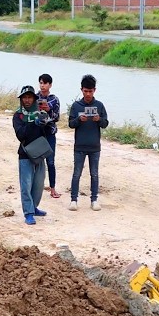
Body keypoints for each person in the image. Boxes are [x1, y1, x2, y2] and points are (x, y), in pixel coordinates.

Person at [13, 85, 56, 225]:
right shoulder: (18, 115)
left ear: (34, 98)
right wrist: (34, 123)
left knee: (38, 185)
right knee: (26, 185)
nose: (27, 100)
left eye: (29, 97)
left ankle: (34, 207)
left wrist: (46, 119)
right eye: (24, 97)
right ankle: (28, 213)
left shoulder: (40, 113)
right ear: (21, 99)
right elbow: (21, 135)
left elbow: (51, 130)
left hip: (40, 153)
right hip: (25, 154)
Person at [66, 74, 109, 212]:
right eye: (86, 91)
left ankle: (94, 200)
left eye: (90, 91)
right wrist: (79, 120)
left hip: (95, 147)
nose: (88, 94)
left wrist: (99, 119)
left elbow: (105, 124)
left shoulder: (99, 105)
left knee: (94, 174)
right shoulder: (76, 106)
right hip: (79, 146)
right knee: (76, 173)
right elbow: (71, 124)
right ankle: (73, 200)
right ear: (81, 90)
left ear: (94, 90)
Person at [37, 73, 62, 198]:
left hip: (50, 133)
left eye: (45, 83)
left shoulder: (54, 99)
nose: (42, 85)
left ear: (50, 85)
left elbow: (57, 117)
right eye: (41, 83)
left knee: (50, 162)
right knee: (37, 161)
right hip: (37, 133)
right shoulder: (34, 97)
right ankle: (36, 186)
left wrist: (48, 110)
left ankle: (53, 188)